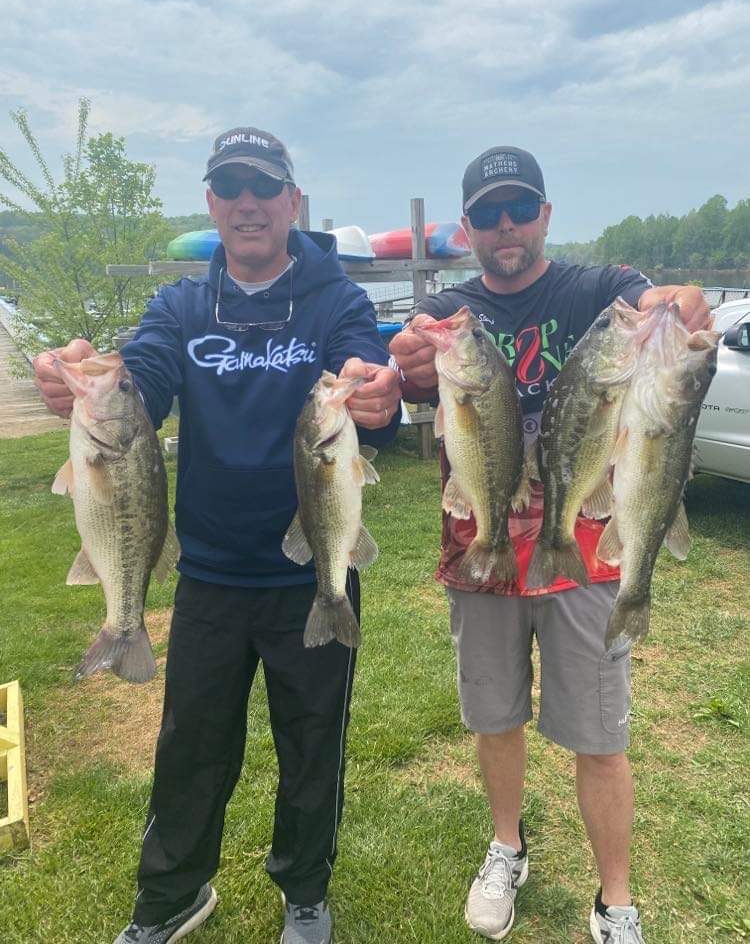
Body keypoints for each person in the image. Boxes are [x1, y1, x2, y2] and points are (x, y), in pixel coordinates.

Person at [33, 126, 402, 944]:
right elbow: (144, 378)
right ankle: (171, 895)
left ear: (292, 202)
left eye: (264, 187)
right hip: (208, 574)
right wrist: (86, 379)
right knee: (190, 750)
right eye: (230, 187)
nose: (248, 203)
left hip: (312, 574)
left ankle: (306, 893)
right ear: (211, 202)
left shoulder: (335, 299)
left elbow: (365, 374)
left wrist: (378, 392)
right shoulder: (180, 306)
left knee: (313, 747)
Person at [389, 145, 710, 943]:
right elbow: (409, 362)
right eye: (488, 214)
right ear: (467, 228)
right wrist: (406, 361)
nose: (506, 226)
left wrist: (678, 304)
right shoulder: (454, 310)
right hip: (483, 549)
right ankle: (507, 847)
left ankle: (616, 900)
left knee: (600, 734)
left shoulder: (599, 292)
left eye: (520, 209)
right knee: (495, 717)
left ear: (546, 216)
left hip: (586, 557)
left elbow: (655, 301)